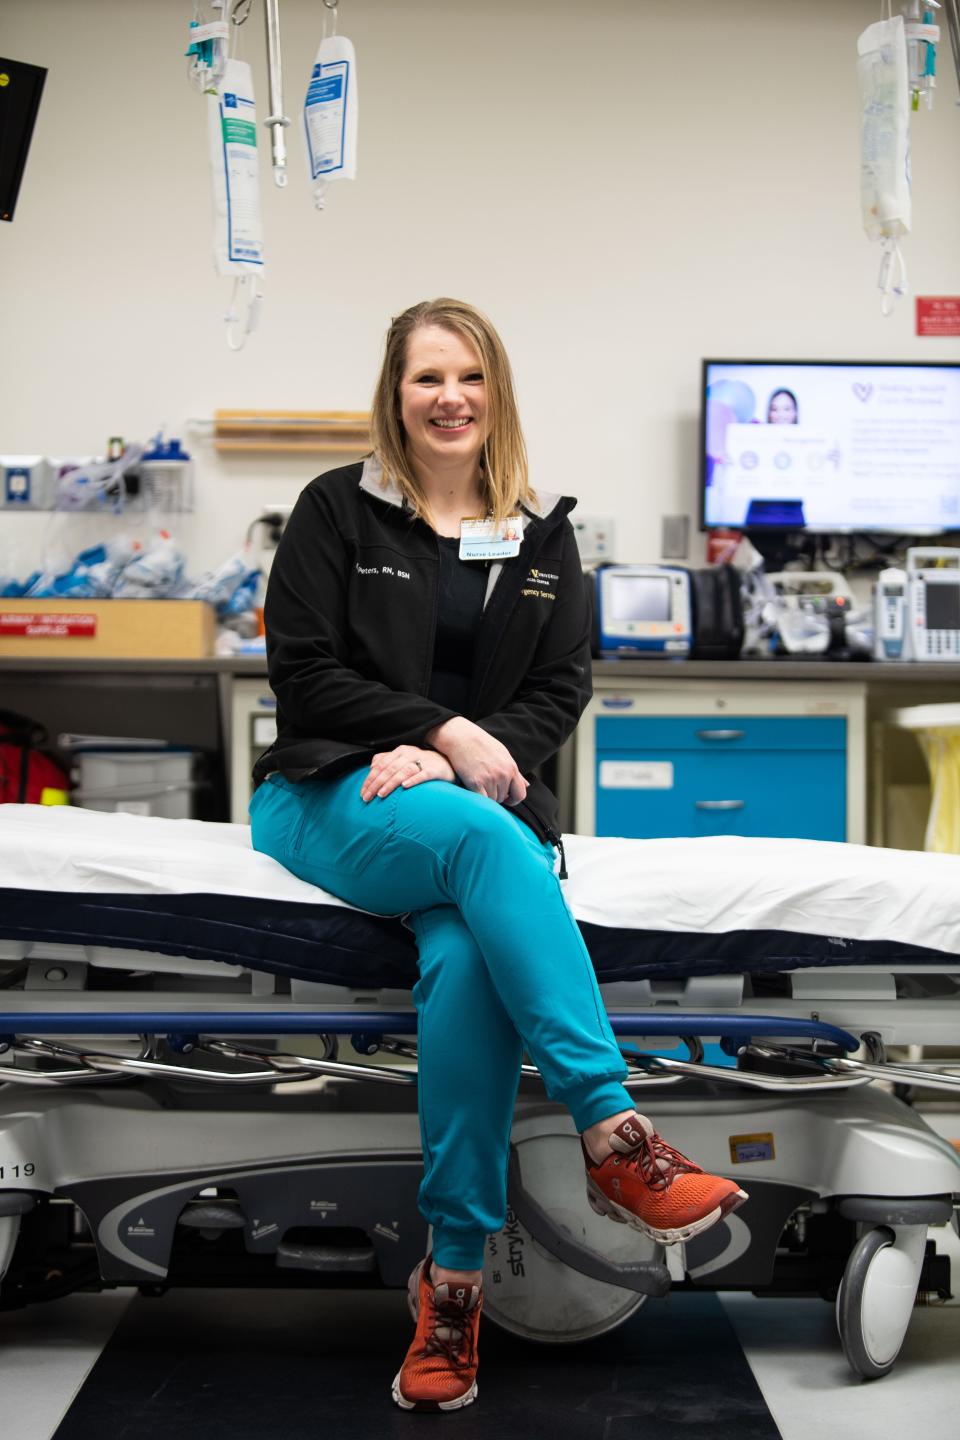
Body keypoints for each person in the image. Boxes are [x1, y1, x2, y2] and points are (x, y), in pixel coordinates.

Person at [249, 298, 748, 1413]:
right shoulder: (338, 511)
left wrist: (463, 757)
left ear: (496, 390)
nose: (450, 398)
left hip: (465, 809)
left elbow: (558, 691)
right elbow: (305, 672)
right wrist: (441, 731)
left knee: (470, 962)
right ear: (397, 393)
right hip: (333, 791)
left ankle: (455, 1285)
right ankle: (615, 1134)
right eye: (428, 377)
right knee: (484, 840)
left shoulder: (542, 532)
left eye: (469, 376)